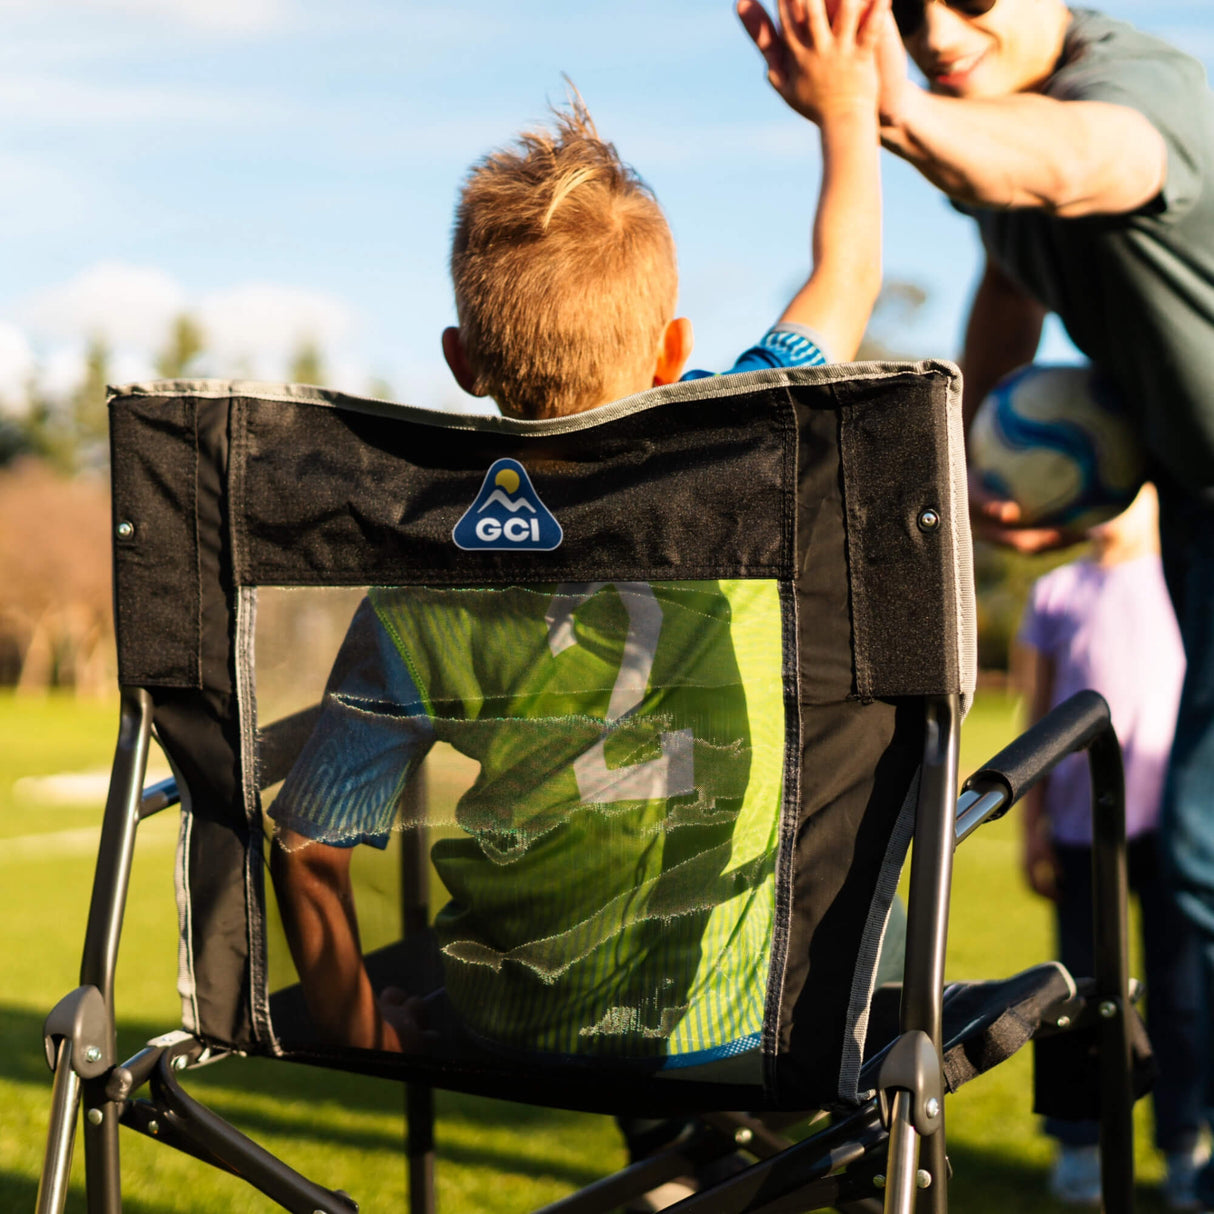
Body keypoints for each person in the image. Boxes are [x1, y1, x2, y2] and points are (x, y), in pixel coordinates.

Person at [270, 0, 891, 1070]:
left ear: (463, 361)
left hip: (518, 1033)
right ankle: (705, 1149)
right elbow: (846, 280)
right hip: (740, 1022)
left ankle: (669, 1151)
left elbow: (308, 847)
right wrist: (845, 109)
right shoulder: (746, 445)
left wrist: (357, 1026)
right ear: (674, 350)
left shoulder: (421, 585)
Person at [742, 0, 1214, 1199]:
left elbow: (1075, 164)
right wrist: (958, 477)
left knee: (1197, 845)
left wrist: (879, 107)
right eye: (907, 14)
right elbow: (1009, 272)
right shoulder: (987, 138)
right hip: (1195, 509)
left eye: (968, 1)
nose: (939, 32)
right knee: (1191, 857)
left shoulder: (1135, 94)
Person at [1015, 484, 1204, 1209]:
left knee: (1182, 996)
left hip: (1174, 832)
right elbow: (1036, 716)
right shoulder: (1056, 592)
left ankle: (1184, 1146)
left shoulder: (1183, 578)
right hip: (1080, 829)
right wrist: (1031, 830)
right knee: (1079, 993)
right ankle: (1079, 1146)